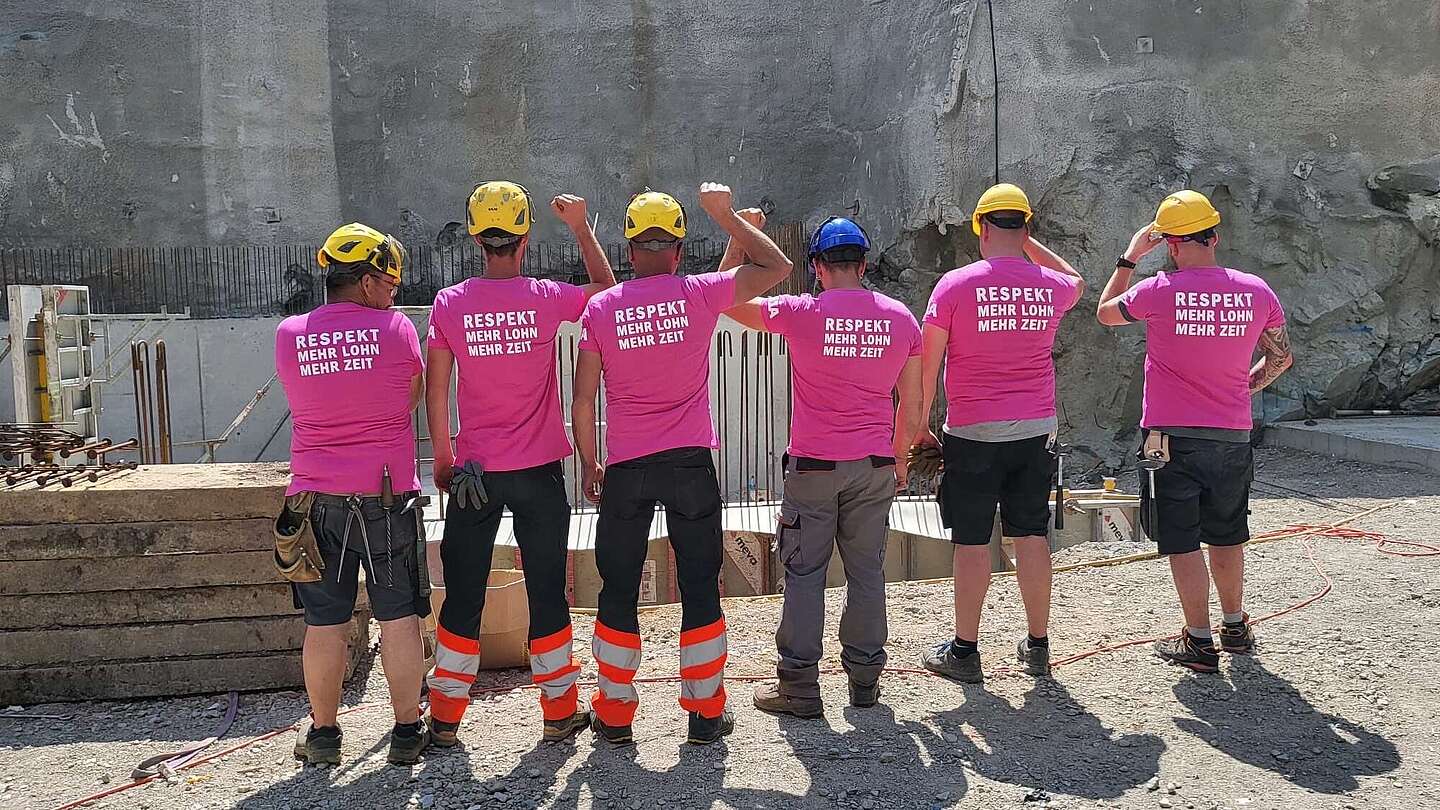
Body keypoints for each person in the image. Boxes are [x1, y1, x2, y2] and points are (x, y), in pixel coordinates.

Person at [571, 183, 792, 745]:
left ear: (627, 251)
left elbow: (583, 398)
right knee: (699, 584)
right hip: (691, 462)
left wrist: (589, 463)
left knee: (618, 586)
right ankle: (705, 713)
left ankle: (616, 715)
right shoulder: (697, 295)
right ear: (676, 249)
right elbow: (778, 264)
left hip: (627, 465)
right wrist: (729, 220)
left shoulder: (603, 307)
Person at [422, 182, 617, 745]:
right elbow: (607, 291)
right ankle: (559, 713)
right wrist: (581, 225)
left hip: (473, 475)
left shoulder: (450, 303)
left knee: (462, 594)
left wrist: (444, 457)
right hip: (538, 473)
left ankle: (445, 718)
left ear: (478, 239)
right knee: (547, 593)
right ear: (526, 239)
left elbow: (438, 392)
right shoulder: (547, 297)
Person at [722, 215, 923, 717]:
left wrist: (738, 236)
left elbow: (725, 299)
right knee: (867, 571)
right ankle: (864, 683)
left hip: (813, 467)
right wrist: (899, 461)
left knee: (806, 574)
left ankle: (800, 688)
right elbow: (914, 406)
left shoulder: (799, 311)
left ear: (815, 267)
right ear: (864, 263)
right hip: (874, 463)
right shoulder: (901, 319)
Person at [1096, 189, 1292, 672]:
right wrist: (1242, 388)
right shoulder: (1255, 290)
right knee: (1228, 534)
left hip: (1170, 438)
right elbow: (1282, 357)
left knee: (1182, 538)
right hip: (1230, 434)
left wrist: (1130, 256)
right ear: (1215, 236)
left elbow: (1103, 313)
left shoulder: (1157, 289)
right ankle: (1234, 625)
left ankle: (1199, 642)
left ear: (1169, 244)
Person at [914, 183, 1086, 683]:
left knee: (971, 540)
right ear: (1026, 228)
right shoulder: (1051, 287)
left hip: (972, 431)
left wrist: (921, 423)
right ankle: (1038, 645)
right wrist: (1027, 247)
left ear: (982, 230)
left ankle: (965, 652)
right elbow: (1074, 277)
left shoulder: (954, 285)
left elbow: (930, 363)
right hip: (1035, 429)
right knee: (1031, 533)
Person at [275, 223, 431, 765]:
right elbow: (409, 400)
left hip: (317, 503)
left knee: (323, 623)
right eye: (388, 283)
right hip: (385, 499)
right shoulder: (396, 330)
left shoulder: (290, 334)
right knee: (398, 618)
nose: (394, 292)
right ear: (365, 283)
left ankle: (322, 735)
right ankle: (408, 731)